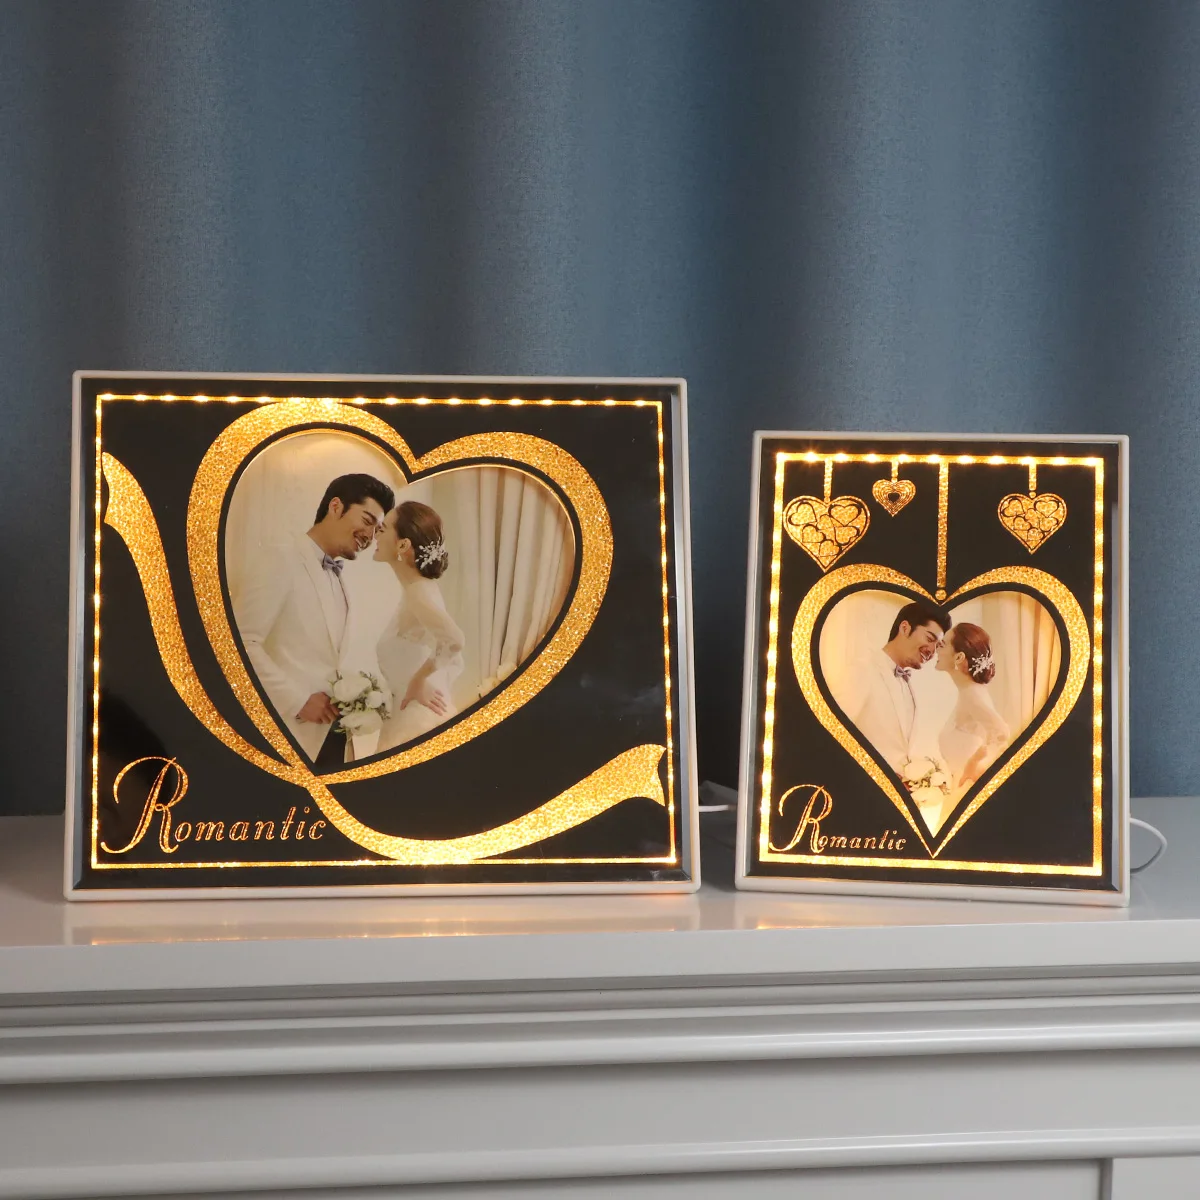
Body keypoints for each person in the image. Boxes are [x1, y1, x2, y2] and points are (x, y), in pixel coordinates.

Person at [231, 473, 394, 766]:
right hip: (285, 735)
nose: (370, 537)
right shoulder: (280, 558)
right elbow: (239, 643)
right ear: (335, 506)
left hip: (334, 739)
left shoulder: (344, 580)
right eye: (367, 520)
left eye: (377, 529)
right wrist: (298, 700)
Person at [372, 500, 466, 751]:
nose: (376, 534)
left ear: (403, 545)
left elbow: (454, 640)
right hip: (407, 714)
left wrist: (417, 681)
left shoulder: (418, 592)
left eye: (383, 528)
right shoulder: (419, 590)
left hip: (417, 720)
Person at [843, 601, 950, 772]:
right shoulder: (862, 669)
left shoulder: (908, 685)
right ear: (905, 628)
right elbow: (834, 735)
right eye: (930, 639)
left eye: (937, 646)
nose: (932, 650)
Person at [935, 622, 1010, 792]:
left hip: (967, 789)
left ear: (959, 657)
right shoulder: (970, 691)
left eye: (943, 645)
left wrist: (975, 766)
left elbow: (1002, 733)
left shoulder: (972, 694)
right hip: (958, 788)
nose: (936, 650)